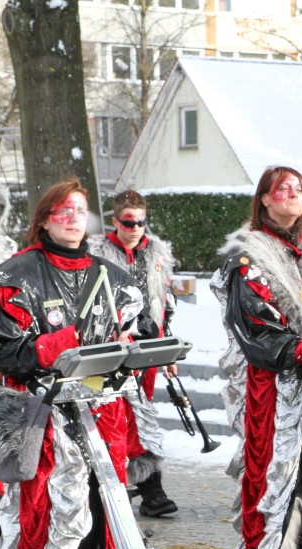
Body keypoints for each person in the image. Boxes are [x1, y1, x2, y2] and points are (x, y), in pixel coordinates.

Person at [0, 178, 153, 549]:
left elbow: (142, 328)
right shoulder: (17, 274)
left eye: (80, 209)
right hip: (42, 414)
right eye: (63, 210)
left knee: (100, 508)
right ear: (45, 219)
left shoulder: (111, 275)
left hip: (102, 411)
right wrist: (59, 344)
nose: (74, 216)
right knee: (40, 513)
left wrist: (130, 344)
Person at [210, 166, 302, 549]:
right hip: (270, 380)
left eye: (298, 187)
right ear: (264, 199)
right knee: (270, 469)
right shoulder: (246, 255)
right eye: (281, 187)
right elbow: (253, 326)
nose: (292, 193)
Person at [89, 189, 178, 517]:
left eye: (141, 222)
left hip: (148, 346)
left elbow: (164, 304)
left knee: (143, 416)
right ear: (115, 222)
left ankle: (150, 488)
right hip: (111, 346)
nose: (136, 228)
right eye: (129, 222)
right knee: (117, 415)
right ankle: (119, 486)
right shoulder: (96, 254)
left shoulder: (156, 253)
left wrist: (167, 349)